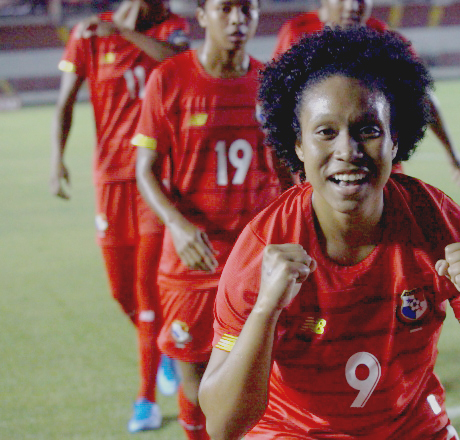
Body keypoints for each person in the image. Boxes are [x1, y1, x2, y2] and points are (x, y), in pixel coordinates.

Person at [198, 27, 460, 440]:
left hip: (414, 430)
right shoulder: (265, 247)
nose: (347, 150)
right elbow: (222, 426)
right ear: (297, 146)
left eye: (368, 129)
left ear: (395, 140)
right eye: (326, 132)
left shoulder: (438, 223)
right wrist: (265, 312)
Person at [132, 0, 293, 437]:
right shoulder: (169, 79)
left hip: (258, 261)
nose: (238, 19)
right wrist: (177, 224)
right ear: (201, 16)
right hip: (192, 263)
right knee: (195, 378)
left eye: (248, 9)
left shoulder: (270, 85)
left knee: (266, 374)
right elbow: (144, 169)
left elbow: (288, 171)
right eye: (225, 9)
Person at [49, 0, 188, 432]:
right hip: (109, 180)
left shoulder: (172, 28)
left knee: (148, 294)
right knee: (121, 292)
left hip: (156, 180)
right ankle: (162, 348)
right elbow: (67, 100)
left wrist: (124, 36)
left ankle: (145, 400)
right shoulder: (87, 35)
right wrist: (58, 160)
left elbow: (182, 64)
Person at [272, 0, 460, 187]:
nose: (352, 6)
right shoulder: (296, 33)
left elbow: (423, 98)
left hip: (380, 177)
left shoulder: (384, 38)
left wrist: (453, 155)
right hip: (320, 178)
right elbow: (276, 109)